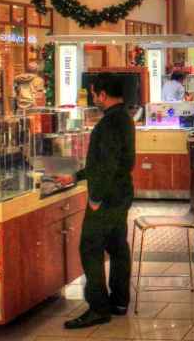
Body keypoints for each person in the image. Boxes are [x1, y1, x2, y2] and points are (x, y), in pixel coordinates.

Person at [65, 75, 136, 329]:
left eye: (94, 94)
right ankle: (119, 301)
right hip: (121, 194)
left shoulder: (109, 124)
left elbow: (106, 165)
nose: (93, 98)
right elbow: (108, 163)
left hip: (106, 198)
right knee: (117, 247)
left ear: (103, 94)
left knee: (90, 248)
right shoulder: (124, 118)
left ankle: (98, 307)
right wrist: (76, 175)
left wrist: (95, 198)